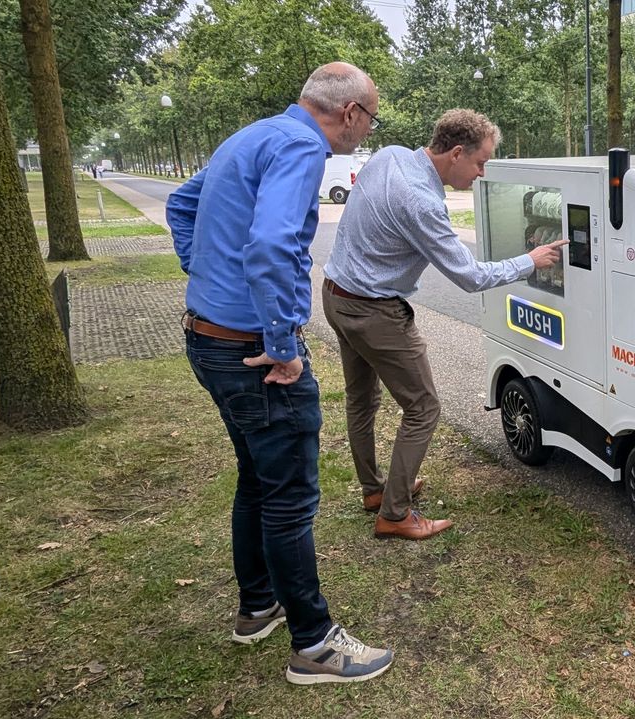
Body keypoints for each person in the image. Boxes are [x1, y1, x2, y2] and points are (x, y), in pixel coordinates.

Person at [166, 62, 393, 686]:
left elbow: (182, 203)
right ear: (349, 113)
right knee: (291, 497)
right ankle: (315, 646)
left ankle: (257, 605)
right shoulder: (301, 146)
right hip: (255, 354)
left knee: (257, 481)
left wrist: (207, 275)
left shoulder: (252, 135)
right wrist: (281, 343)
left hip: (207, 340)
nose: (365, 132)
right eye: (370, 119)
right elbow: (271, 246)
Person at [322, 109, 567, 540]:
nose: (482, 172)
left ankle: (376, 491)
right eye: (480, 162)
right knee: (423, 408)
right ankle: (395, 514)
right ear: (456, 153)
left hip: (336, 295)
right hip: (374, 311)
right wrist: (530, 260)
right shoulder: (421, 201)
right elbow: (470, 277)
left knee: (361, 400)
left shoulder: (390, 156)